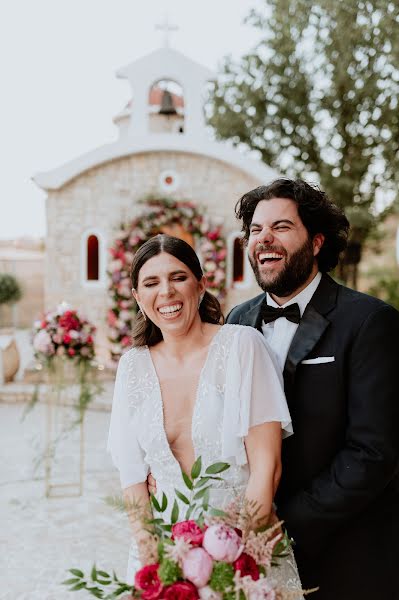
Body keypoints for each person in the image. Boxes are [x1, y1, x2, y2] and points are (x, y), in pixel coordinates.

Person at [227, 178, 399, 600]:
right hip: (250, 559)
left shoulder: (370, 322)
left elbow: (374, 452)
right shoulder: (236, 322)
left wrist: (282, 524)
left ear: (317, 242)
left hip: (347, 557)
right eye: (255, 230)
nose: (264, 238)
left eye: (281, 227)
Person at [107, 233, 303, 593]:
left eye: (178, 277)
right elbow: (133, 481)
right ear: (137, 297)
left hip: (243, 551)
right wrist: (158, 567)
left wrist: (230, 565)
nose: (165, 291)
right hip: (163, 554)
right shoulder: (132, 367)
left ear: (200, 284)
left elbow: (266, 468)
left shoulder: (242, 347)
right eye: (151, 282)